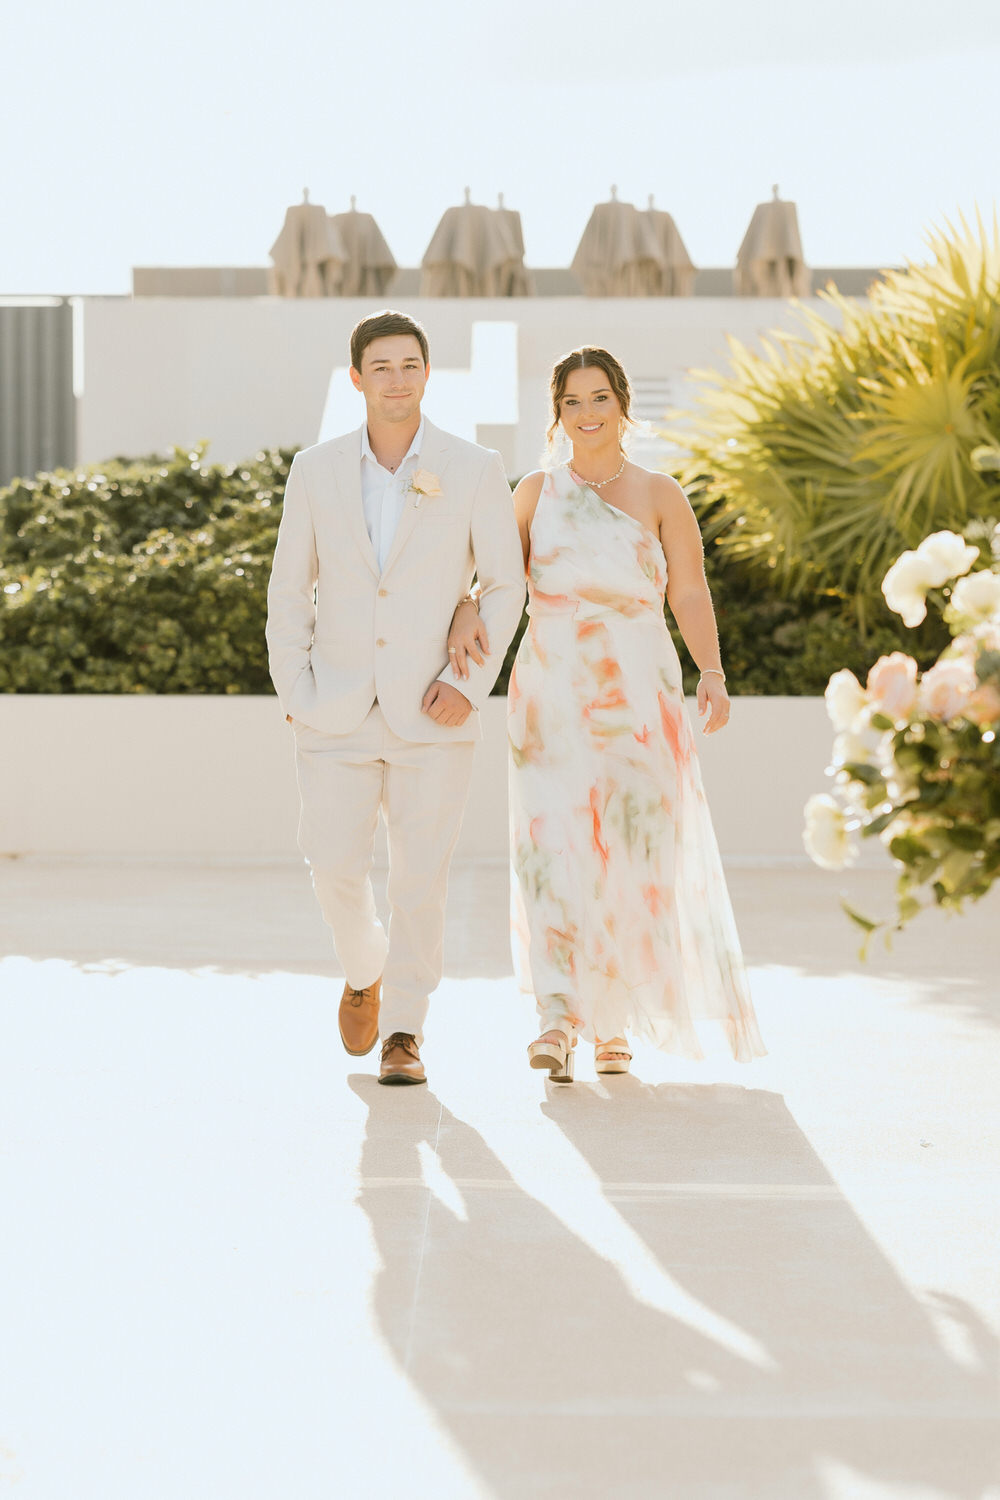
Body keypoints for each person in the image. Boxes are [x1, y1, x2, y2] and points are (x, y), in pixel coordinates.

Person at [448, 346, 765, 1080]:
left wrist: (712, 671)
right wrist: (464, 605)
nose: (586, 414)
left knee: (635, 849)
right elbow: (492, 577)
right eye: (572, 402)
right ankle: (558, 1017)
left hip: (639, 689)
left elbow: (688, 590)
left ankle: (614, 1023)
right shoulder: (535, 492)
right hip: (550, 691)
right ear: (556, 413)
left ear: (622, 403)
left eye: (599, 398)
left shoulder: (660, 493)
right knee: (552, 846)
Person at [267, 310, 524, 1085]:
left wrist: (467, 685)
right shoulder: (314, 470)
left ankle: (405, 1032)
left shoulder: (472, 467)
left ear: (427, 374)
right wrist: (296, 690)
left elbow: (504, 584)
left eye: (410, 365)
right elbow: (289, 590)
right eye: (381, 366)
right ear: (356, 378)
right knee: (332, 865)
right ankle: (364, 968)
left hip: (434, 711)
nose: (397, 379)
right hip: (333, 708)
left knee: (420, 879)